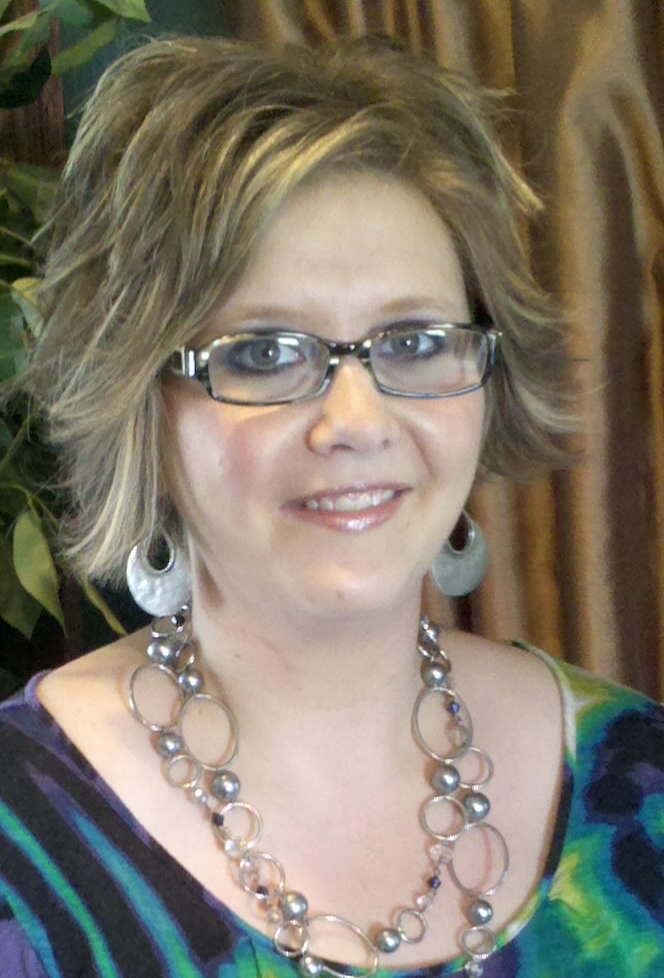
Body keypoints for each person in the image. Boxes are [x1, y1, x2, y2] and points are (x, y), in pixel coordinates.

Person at [0, 34, 662, 978]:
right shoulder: (20, 845)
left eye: (414, 340)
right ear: (140, 400)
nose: (355, 421)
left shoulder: (643, 776)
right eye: (264, 353)